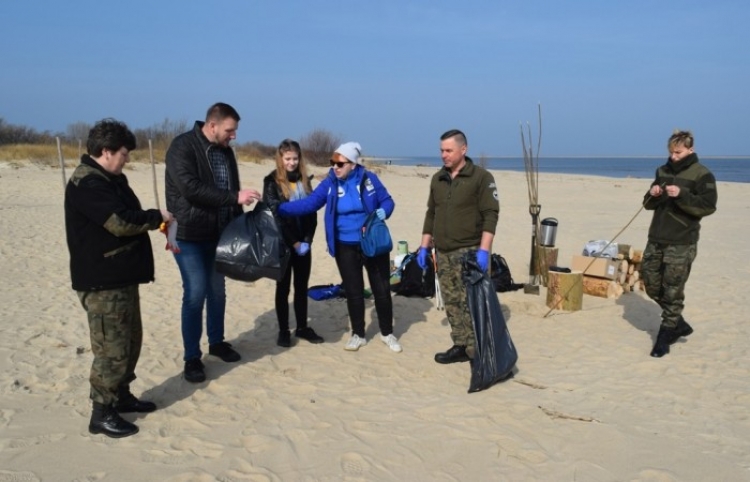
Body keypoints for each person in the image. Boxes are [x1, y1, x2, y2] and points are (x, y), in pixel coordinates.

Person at [65, 118, 173, 438]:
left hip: (122, 277)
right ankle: (102, 412)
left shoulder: (112, 178)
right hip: (102, 282)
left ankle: (121, 396)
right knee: (111, 349)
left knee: (130, 341)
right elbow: (120, 222)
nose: (127, 159)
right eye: (124, 153)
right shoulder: (88, 183)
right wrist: (157, 218)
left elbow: (128, 216)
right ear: (106, 151)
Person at [165, 102, 261, 383]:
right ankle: (192, 358)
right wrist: (235, 198)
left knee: (217, 291)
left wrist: (240, 224)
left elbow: (232, 190)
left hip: (220, 233)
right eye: (230, 130)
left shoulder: (226, 152)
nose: (234, 135)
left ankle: (217, 342)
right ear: (212, 125)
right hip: (188, 234)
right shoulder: (182, 147)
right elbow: (190, 189)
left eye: (235, 131)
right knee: (195, 294)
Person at [277, 142, 402, 353]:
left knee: (381, 290)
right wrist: (280, 208)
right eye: (332, 162)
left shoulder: (369, 179)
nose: (335, 167)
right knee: (353, 292)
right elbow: (310, 204)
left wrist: (384, 211)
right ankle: (358, 334)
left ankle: (387, 333)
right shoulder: (330, 183)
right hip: (345, 245)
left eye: (340, 163)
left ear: (352, 164)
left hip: (372, 244)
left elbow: (387, 201)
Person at [416, 129, 499, 364]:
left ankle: (478, 349)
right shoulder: (437, 179)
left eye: (449, 150)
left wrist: (484, 250)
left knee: (472, 303)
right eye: (442, 150)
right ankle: (461, 345)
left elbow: (491, 214)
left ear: (464, 149)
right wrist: (424, 246)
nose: (444, 155)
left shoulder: (482, 177)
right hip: (443, 252)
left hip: (470, 251)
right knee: (452, 302)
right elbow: (431, 213)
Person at [641, 130, 717, 358]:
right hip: (656, 237)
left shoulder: (702, 174)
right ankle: (679, 323)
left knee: (673, 289)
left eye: (678, 152)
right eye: (671, 152)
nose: (673, 156)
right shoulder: (662, 171)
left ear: (690, 150)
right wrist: (653, 193)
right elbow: (647, 204)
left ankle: (666, 334)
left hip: (682, 240)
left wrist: (682, 194)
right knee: (651, 284)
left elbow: (708, 206)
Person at [262, 139, 324, 347]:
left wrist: (306, 240)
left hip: (304, 245)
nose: (292, 162)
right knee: (283, 288)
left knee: (301, 286)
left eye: (295, 158)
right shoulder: (271, 182)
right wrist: (294, 242)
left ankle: (302, 327)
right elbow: (275, 215)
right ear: (280, 158)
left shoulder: (305, 181)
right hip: (283, 244)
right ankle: (283, 331)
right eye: (288, 158)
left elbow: (312, 213)